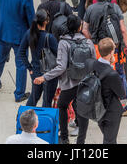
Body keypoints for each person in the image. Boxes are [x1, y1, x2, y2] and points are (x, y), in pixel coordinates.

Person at [34, 15, 96, 144]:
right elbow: (93, 63)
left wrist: (44, 77)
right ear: (80, 27)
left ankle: (64, 137)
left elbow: (61, 67)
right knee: (82, 110)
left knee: (62, 106)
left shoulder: (63, 43)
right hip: (85, 82)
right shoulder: (88, 42)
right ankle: (81, 141)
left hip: (69, 84)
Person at [83, 0, 127, 118]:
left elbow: (84, 29)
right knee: (120, 73)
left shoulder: (90, 9)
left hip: (97, 48)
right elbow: (123, 29)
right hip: (115, 48)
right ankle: (123, 106)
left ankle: (99, 105)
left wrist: (93, 42)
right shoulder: (115, 8)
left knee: (98, 76)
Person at [86, 38, 126, 144]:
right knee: (110, 140)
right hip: (111, 111)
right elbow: (122, 94)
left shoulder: (91, 64)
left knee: (108, 138)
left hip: (97, 109)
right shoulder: (112, 74)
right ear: (112, 52)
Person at [19, 9, 58, 107]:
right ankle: (44, 121)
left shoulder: (29, 33)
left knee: (34, 97)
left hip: (35, 71)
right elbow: (59, 55)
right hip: (49, 74)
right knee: (47, 101)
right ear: (46, 21)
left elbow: (21, 52)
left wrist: (29, 68)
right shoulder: (50, 38)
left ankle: (24, 118)